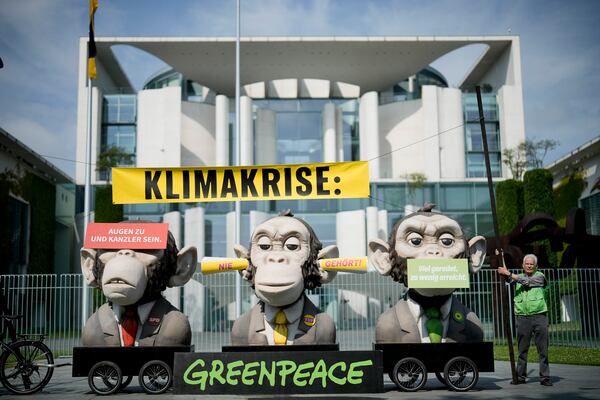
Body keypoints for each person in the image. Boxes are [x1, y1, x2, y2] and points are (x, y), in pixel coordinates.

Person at [498, 253, 552, 386]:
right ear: (523, 265)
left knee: (543, 350)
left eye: (531, 264)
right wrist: (502, 258)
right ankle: (520, 377)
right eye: (527, 264)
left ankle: (545, 378)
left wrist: (509, 274)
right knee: (522, 350)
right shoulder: (518, 277)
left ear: (536, 266)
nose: (529, 266)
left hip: (540, 316)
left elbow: (527, 282)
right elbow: (506, 275)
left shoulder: (540, 276)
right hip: (523, 318)